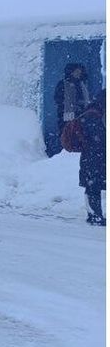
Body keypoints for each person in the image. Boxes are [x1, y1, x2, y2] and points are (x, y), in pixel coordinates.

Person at [78, 89, 105, 226]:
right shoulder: (93, 117)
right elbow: (98, 140)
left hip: (93, 158)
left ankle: (94, 214)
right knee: (93, 186)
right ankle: (94, 215)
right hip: (94, 159)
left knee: (93, 185)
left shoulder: (93, 113)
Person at [54, 63, 91, 154]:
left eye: (80, 72)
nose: (78, 74)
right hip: (66, 115)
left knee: (79, 134)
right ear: (71, 72)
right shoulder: (63, 84)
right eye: (76, 71)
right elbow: (58, 99)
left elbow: (85, 99)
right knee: (67, 134)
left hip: (81, 115)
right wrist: (67, 106)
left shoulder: (82, 84)